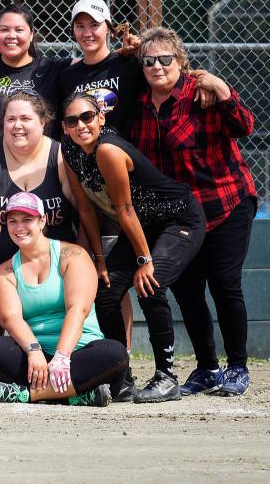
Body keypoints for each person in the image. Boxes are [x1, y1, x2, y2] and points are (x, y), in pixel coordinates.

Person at [131, 28, 258, 396]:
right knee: (186, 290)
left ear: (181, 62)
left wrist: (222, 90)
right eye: (149, 60)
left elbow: (245, 126)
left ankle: (237, 367)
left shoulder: (200, 94)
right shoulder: (137, 104)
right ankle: (206, 368)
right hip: (177, 216)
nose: (158, 67)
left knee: (224, 284)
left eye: (166, 59)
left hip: (223, 202)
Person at [61, 92, 206, 402]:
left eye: (87, 117)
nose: (81, 125)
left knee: (150, 284)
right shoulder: (70, 150)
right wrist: (99, 259)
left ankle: (166, 377)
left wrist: (144, 260)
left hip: (177, 218)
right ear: (65, 127)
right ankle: (120, 375)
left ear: (101, 117)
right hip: (143, 226)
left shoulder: (108, 151)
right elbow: (87, 209)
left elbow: (125, 209)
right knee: (106, 291)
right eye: (72, 121)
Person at [0, 90, 94, 346]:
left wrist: (80, 256)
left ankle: (65, 362)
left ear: (42, 122)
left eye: (25, 118)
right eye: (10, 119)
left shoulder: (60, 156)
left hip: (50, 270)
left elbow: (85, 211)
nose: (17, 126)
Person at [0, 192, 128, 406]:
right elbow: (11, 319)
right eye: (12, 221)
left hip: (78, 353)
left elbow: (78, 309)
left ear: (42, 220)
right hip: (35, 359)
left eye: (27, 219)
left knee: (114, 354)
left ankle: (28, 395)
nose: (19, 228)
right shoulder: (4, 272)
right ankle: (77, 396)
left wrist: (62, 357)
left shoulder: (72, 255)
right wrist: (33, 351)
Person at [0, 5, 69, 149]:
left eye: (19, 30)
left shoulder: (52, 68)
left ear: (31, 35)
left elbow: (94, 62)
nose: (11, 35)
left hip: (38, 165)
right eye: (4, 29)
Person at [57, 0, 146, 137]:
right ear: (73, 31)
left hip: (123, 153)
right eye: (80, 26)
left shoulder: (129, 64)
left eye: (94, 25)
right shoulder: (67, 77)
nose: (87, 33)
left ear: (108, 28)